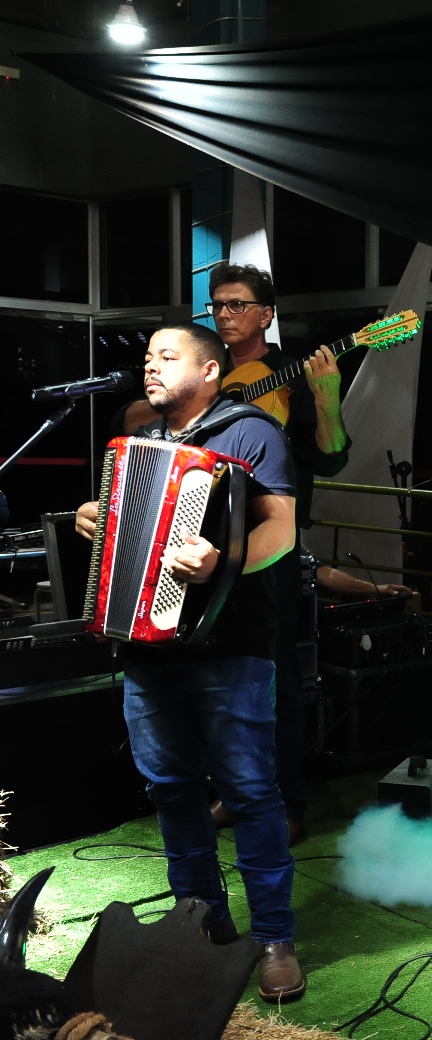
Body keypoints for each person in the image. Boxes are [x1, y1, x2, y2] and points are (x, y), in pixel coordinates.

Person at [74, 322, 307, 1001]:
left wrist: (221, 561)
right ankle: (200, 923)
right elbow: (125, 531)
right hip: (148, 648)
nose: (151, 368)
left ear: (209, 370)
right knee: (172, 789)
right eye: (147, 358)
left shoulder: (250, 431)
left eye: (168, 357)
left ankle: (274, 939)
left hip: (230, 647)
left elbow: (281, 529)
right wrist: (97, 517)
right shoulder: (140, 441)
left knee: (251, 794)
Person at [207, 263, 350, 844]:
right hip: (209, 542)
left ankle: (287, 801)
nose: (224, 315)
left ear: (267, 314)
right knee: (216, 672)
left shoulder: (289, 376)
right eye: (217, 305)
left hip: (269, 547)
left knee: (275, 678)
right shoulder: (210, 376)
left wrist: (329, 399)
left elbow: (331, 458)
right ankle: (232, 791)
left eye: (237, 304)